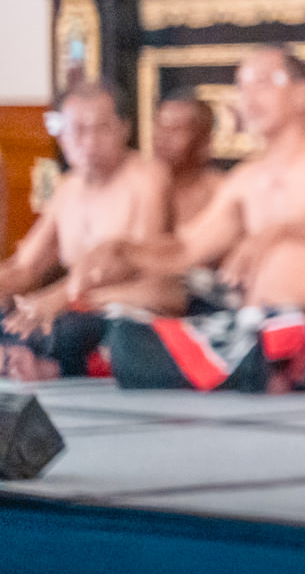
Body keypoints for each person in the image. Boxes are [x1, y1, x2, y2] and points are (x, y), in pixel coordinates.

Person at [99, 46, 305, 392]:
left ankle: (257, 363)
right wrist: (123, 251)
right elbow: (185, 250)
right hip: (248, 322)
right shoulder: (245, 179)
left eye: (264, 83)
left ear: (302, 94)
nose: (250, 97)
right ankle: (250, 365)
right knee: (126, 334)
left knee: (287, 333)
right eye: (242, 86)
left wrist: (277, 232)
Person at [0, 84, 179, 379]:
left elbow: (136, 262)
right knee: (15, 320)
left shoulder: (147, 178)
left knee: (67, 331)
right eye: (79, 130)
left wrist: (60, 297)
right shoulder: (67, 190)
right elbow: (25, 266)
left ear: (124, 128)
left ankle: (35, 361)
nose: (90, 142)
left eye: (102, 129)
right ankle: (21, 357)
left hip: (125, 308)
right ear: (62, 136)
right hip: (73, 309)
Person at [154, 90, 225, 232]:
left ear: (204, 142)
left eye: (175, 130)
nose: (163, 139)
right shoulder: (139, 186)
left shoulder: (221, 192)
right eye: (160, 128)